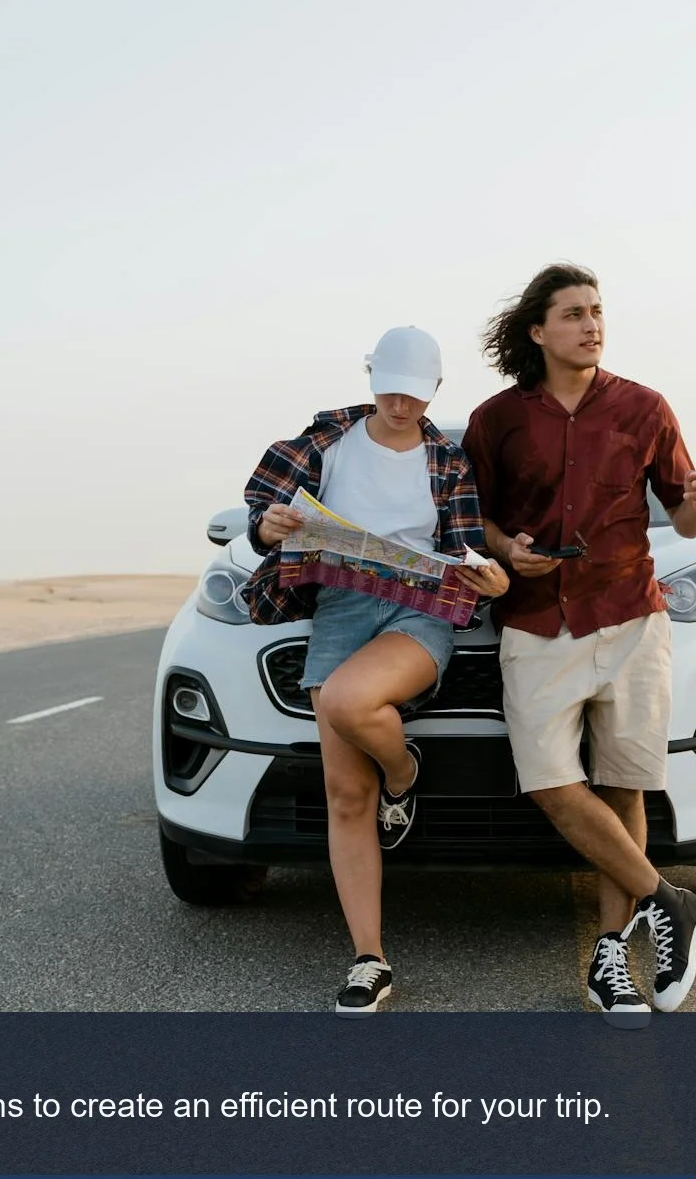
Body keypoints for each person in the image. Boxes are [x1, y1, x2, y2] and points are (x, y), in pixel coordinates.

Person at [462, 265, 696, 1027]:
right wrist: (510, 547)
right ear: (537, 330)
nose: (591, 324)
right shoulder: (495, 419)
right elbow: (471, 518)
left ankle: (613, 953)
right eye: (573, 314)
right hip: (538, 620)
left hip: (630, 614)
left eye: (597, 312)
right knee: (549, 783)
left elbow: (682, 521)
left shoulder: (646, 407)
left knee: (623, 783)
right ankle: (669, 899)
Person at [244, 326, 509, 1014]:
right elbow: (263, 513)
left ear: (436, 391)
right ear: (370, 377)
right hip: (340, 607)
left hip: (419, 612)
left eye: (415, 394)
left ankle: (404, 771)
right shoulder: (326, 440)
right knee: (346, 798)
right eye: (390, 388)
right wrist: (268, 528)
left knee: (345, 700)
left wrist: (488, 577)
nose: (401, 403)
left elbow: (465, 550)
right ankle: (370, 958)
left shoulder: (446, 460)